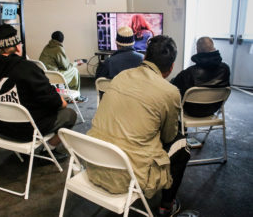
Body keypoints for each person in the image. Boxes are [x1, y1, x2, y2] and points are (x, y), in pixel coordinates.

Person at [87, 35, 190, 217]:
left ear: (144, 58)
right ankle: (166, 206)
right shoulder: (170, 92)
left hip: (94, 164)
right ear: (171, 67)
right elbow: (167, 137)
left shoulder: (120, 77)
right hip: (128, 177)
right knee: (182, 146)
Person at [0, 24, 77, 161]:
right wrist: (61, 102)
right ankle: (49, 150)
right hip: (26, 131)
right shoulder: (27, 69)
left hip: (0, 128)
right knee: (69, 114)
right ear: (18, 47)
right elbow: (56, 102)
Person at [171, 36, 230, 117]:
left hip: (191, 110)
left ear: (197, 50)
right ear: (214, 48)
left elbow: (174, 91)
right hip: (213, 108)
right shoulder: (225, 69)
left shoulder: (188, 73)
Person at [39, 31, 88, 102]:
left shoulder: (47, 47)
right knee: (74, 70)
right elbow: (66, 67)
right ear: (62, 40)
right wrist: (76, 63)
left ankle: (70, 95)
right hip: (54, 76)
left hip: (45, 74)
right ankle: (75, 97)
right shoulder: (58, 49)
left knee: (72, 69)